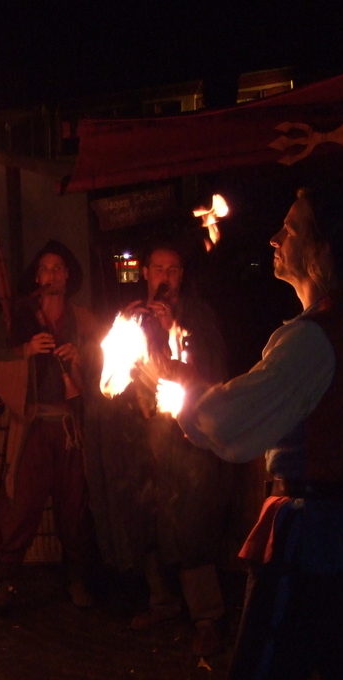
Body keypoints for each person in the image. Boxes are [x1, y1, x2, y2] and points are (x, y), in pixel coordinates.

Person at [176, 187, 343, 680]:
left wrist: (185, 395)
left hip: (309, 541)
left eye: (291, 229)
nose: (276, 238)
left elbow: (235, 423)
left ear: (322, 249)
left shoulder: (311, 339)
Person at [124, 244, 231, 658]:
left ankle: (207, 617)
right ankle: (162, 602)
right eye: (158, 269)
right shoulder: (133, 315)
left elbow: (210, 373)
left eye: (173, 269)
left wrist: (172, 332)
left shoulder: (196, 316)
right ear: (146, 273)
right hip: (146, 434)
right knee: (149, 516)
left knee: (191, 521)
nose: (165, 276)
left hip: (187, 436)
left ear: (181, 275)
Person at [0, 240, 98, 611]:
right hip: (32, 425)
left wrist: (80, 357)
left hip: (69, 429)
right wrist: (26, 351)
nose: (51, 275)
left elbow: (106, 362)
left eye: (58, 268)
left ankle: (76, 578)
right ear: (37, 277)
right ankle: (6, 582)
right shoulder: (19, 317)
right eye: (45, 269)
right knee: (20, 503)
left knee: (74, 506)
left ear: (67, 276)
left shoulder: (83, 318)